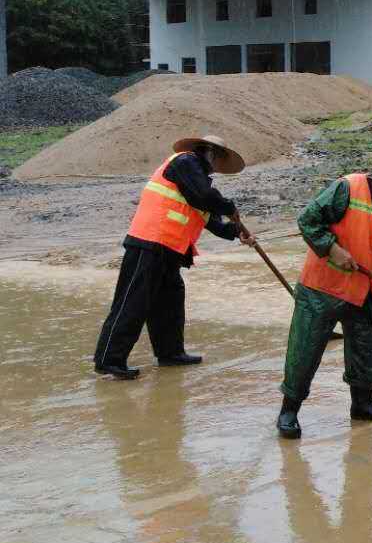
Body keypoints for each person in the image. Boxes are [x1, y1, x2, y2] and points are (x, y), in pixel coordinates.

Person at [275, 145, 372, 439]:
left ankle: (363, 405)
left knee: (364, 352)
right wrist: (332, 248)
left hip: (361, 291)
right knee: (305, 351)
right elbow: (308, 219)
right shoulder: (347, 188)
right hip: (322, 288)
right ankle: (288, 411)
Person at [94, 134, 254, 380]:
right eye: (218, 159)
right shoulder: (186, 162)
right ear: (209, 152)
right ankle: (109, 359)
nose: (218, 166)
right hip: (149, 243)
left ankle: (170, 353)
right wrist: (229, 206)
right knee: (132, 302)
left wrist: (237, 232)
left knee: (169, 303)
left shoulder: (197, 178)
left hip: (170, 250)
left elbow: (211, 221)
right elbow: (204, 198)